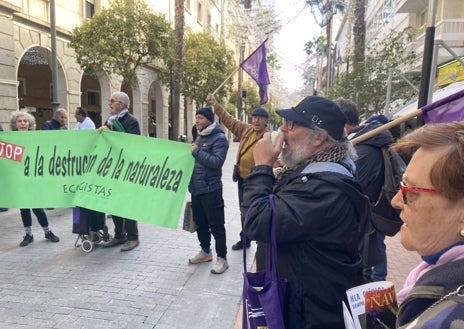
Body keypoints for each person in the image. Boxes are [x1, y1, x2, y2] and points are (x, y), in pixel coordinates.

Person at [243, 96, 370, 328]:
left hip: (309, 312)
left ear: (319, 137)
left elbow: (258, 221)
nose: (282, 129)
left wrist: (261, 167)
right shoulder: (313, 174)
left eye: (291, 124)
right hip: (302, 300)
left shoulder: (323, 188)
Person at [391, 122, 464, 328]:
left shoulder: (452, 311)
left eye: (411, 191)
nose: (396, 201)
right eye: (402, 184)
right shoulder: (435, 280)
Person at [337, 99, 392, 282]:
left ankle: (377, 283)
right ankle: (370, 276)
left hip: (370, 208)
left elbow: (357, 183)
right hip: (369, 206)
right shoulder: (364, 140)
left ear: (342, 121)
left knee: (375, 245)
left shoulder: (365, 147)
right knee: (373, 246)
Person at [206, 93, 269, 251]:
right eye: (254, 117)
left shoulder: (269, 137)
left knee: (255, 210)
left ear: (266, 121)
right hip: (242, 178)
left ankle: (261, 240)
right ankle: (245, 238)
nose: (256, 120)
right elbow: (229, 120)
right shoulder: (246, 130)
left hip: (258, 181)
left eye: (260, 118)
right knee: (243, 210)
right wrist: (215, 104)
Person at [188, 106, 230, 274]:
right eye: (196, 117)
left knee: (217, 225)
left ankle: (223, 258)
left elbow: (216, 162)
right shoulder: (198, 135)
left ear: (209, 120)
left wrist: (197, 152)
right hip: (196, 189)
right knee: (200, 222)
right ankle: (205, 251)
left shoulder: (219, 138)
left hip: (211, 189)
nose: (197, 120)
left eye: (200, 118)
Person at [10, 111, 60, 247]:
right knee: (24, 208)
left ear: (30, 124)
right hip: (19, 178)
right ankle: (28, 234)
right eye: (20, 121)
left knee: (37, 207)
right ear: (15, 124)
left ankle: (47, 231)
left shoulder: (37, 137)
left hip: (34, 178)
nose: (23, 123)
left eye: (25, 121)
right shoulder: (9, 139)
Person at [99, 91, 140, 252]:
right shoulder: (109, 121)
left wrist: (111, 134)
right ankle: (119, 235)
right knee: (114, 202)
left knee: (127, 203)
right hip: (112, 168)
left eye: (112, 101)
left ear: (122, 104)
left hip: (127, 169)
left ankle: (132, 237)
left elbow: (133, 143)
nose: (109, 104)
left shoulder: (131, 121)